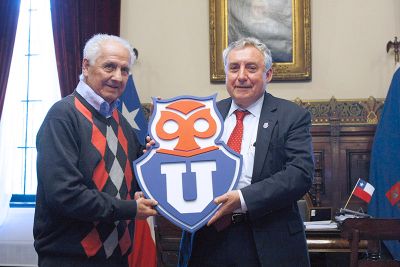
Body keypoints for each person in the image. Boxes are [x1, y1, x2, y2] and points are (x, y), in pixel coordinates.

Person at [179, 37, 314, 267]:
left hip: (268, 241)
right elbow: (184, 163)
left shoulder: (291, 115)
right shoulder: (204, 116)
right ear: (226, 75)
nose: (241, 76)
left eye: (251, 68)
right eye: (234, 68)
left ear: (268, 75)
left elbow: (300, 174)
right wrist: (161, 150)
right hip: (209, 240)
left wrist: (241, 199)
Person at [33, 34, 158, 267]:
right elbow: (65, 195)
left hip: (117, 258)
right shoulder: (63, 116)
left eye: (124, 70)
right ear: (86, 66)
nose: (117, 77)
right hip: (70, 260)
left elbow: (128, 182)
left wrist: (151, 159)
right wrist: (130, 209)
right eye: (109, 66)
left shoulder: (121, 122)